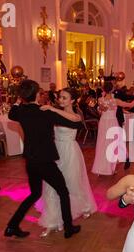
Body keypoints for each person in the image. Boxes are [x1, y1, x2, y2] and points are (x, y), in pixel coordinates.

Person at [5, 80, 82, 239]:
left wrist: (19, 100)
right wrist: (53, 109)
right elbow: (75, 122)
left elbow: (11, 113)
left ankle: (12, 226)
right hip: (45, 161)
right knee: (63, 191)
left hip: (30, 161)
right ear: (37, 95)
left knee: (34, 194)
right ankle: (68, 228)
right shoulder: (45, 112)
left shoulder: (21, 111)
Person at [36, 88, 97, 237]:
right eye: (60, 97)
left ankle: (83, 207)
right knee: (51, 186)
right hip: (55, 151)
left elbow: (74, 120)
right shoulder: (55, 113)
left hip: (70, 151)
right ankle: (52, 222)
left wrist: (51, 108)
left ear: (73, 100)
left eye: (64, 98)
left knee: (72, 183)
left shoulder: (76, 115)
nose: (61, 100)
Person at [91, 82, 134, 176]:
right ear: (112, 89)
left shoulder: (100, 99)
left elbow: (100, 112)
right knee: (113, 145)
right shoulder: (115, 100)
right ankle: (110, 168)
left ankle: (101, 168)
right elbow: (131, 105)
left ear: (104, 89)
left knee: (102, 145)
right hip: (112, 122)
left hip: (103, 122)